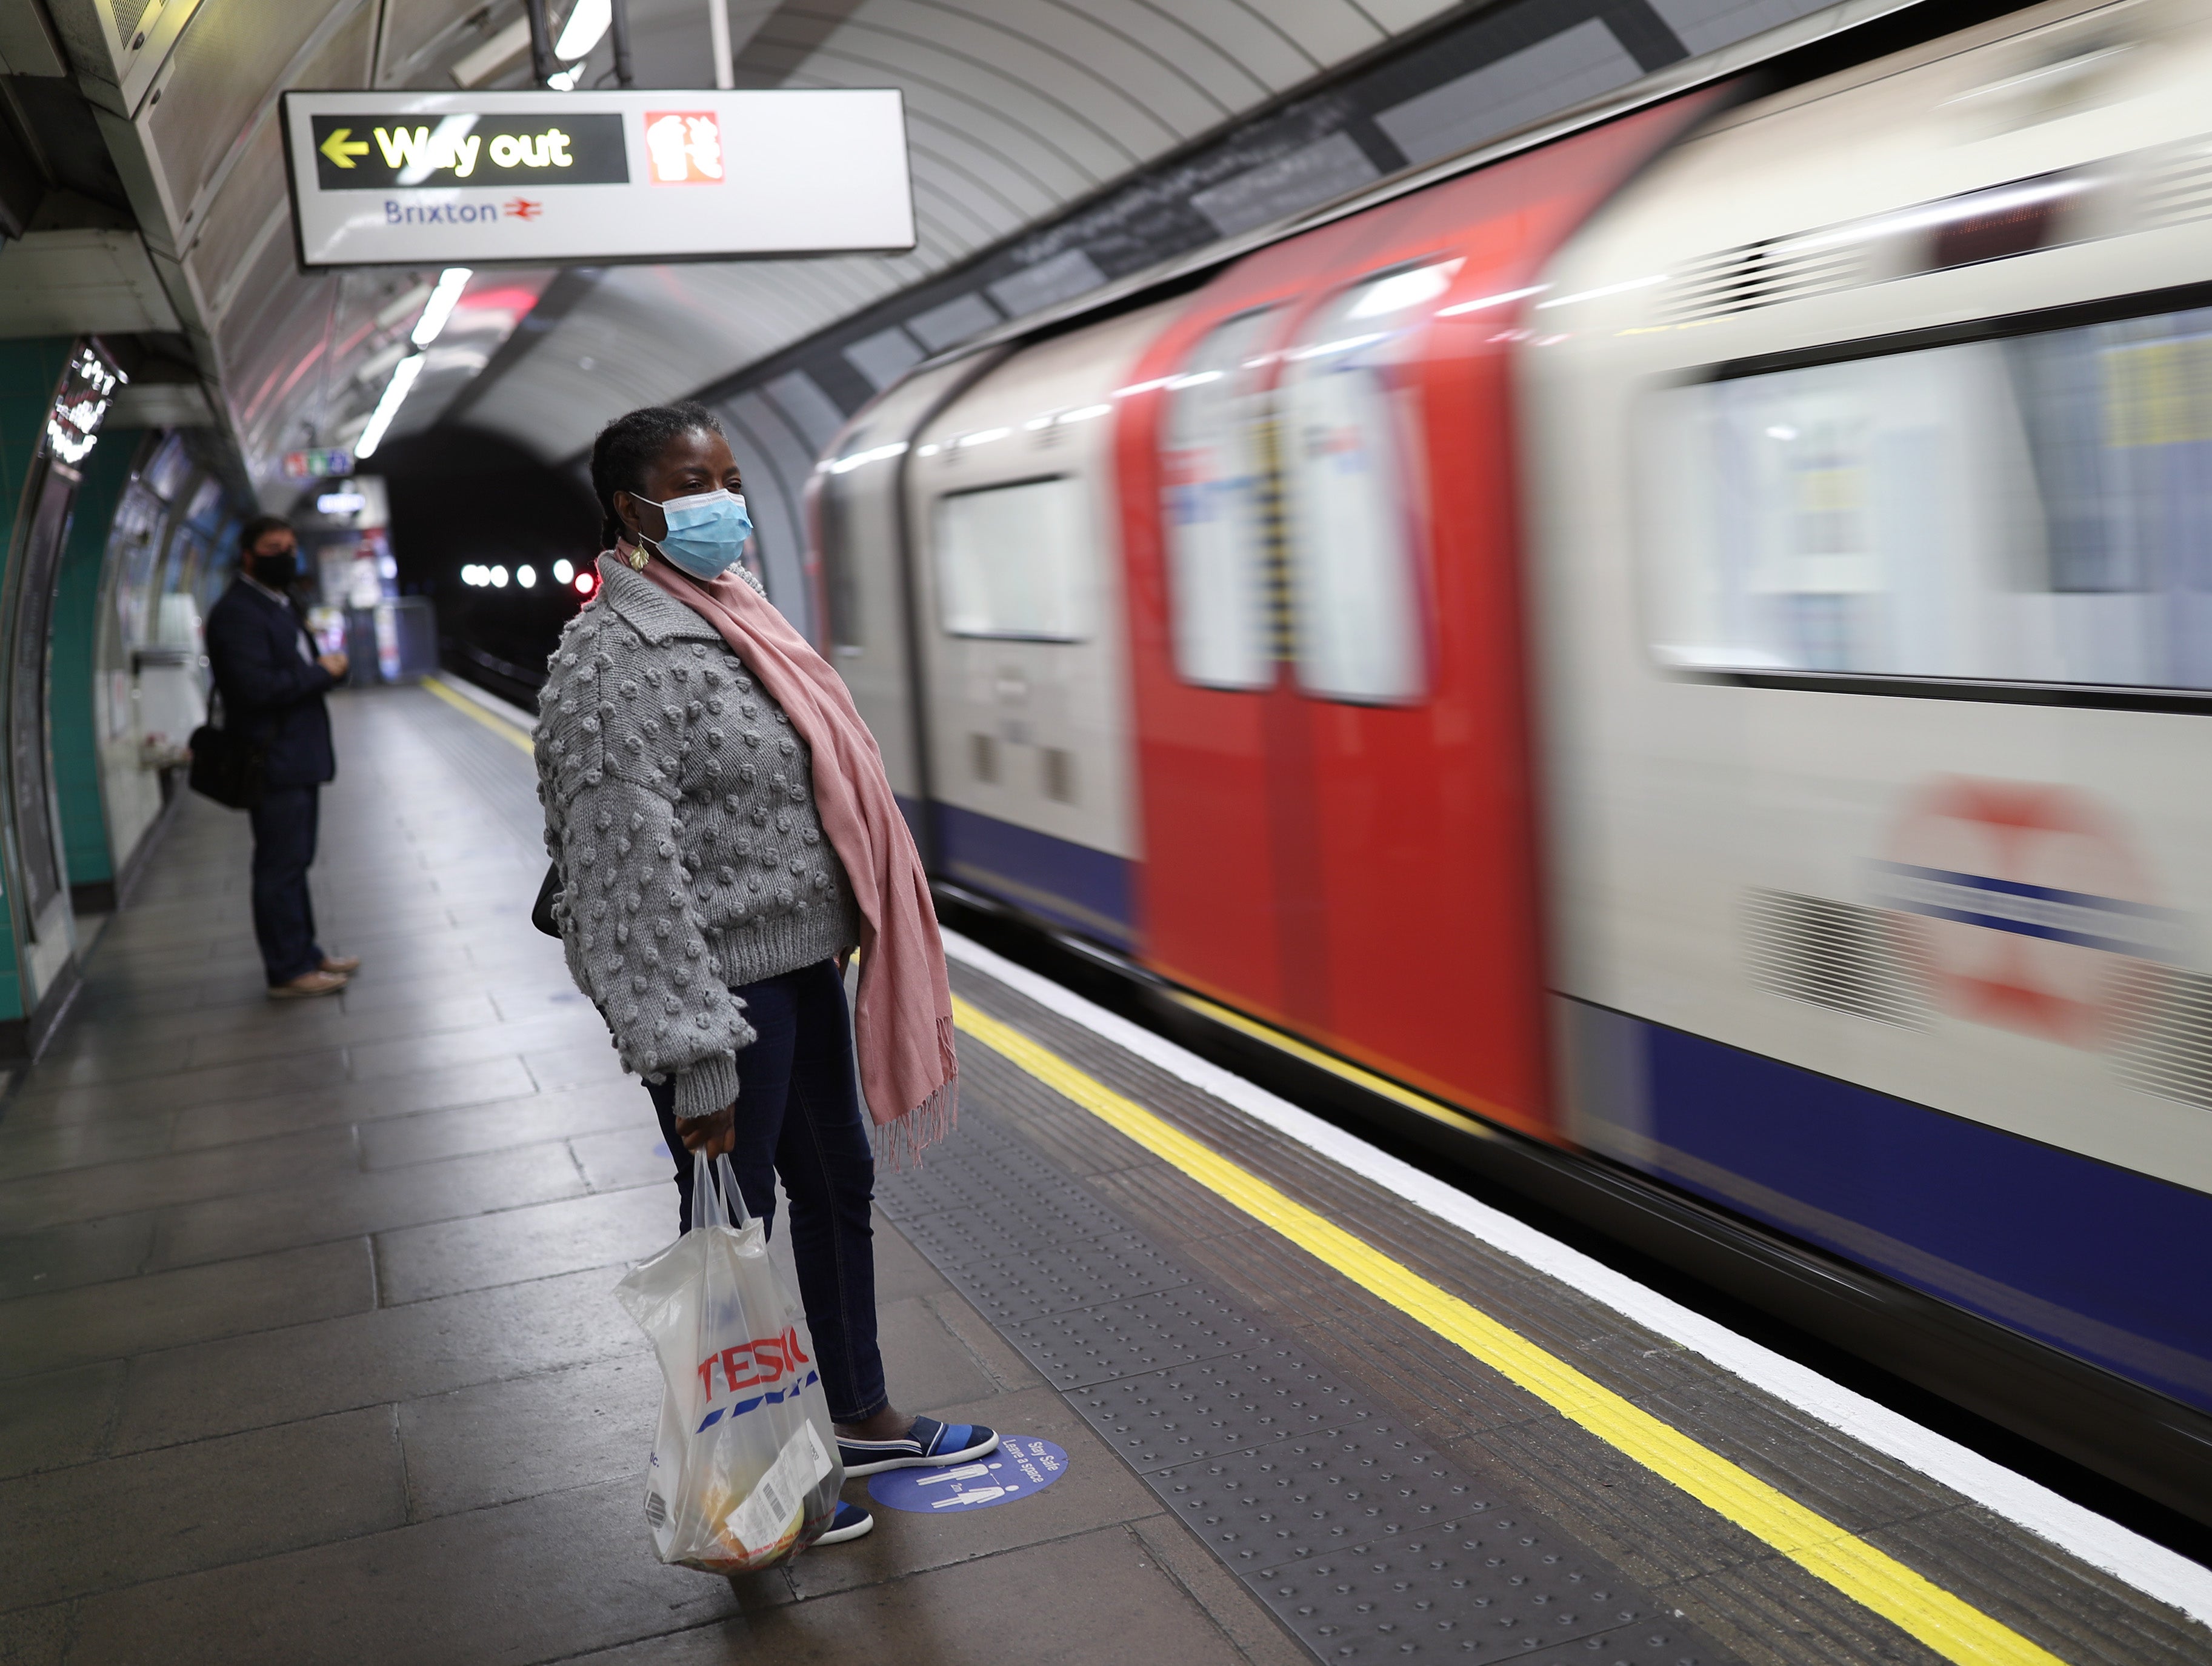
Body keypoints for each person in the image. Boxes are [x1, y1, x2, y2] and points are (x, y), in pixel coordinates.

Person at [535, 404, 985, 1550]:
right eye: (698, 482)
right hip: (719, 1003)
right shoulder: (611, 660)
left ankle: (861, 1409)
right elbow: (624, 876)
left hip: (801, 972)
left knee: (838, 1188)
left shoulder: (739, 614)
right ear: (635, 509)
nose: (726, 500)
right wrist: (693, 1054)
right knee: (733, 1233)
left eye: (733, 475)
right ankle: (753, 1480)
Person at [204, 515, 361, 999]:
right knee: (279, 866)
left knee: (296, 860)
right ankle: (288, 969)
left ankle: (306, 953)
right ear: (248, 554)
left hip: (296, 754)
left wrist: (326, 671)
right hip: (271, 758)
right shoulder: (238, 613)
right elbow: (254, 689)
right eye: (275, 546)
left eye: (291, 545)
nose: (287, 555)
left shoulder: (280, 601)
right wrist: (321, 672)